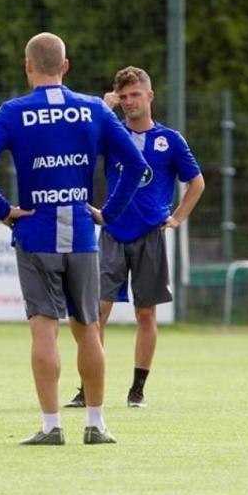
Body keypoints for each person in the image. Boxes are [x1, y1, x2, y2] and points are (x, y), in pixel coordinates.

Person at [0, 33, 147, 445]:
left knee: (44, 331)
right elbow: (136, 165)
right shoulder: (93, 110)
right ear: (65, 66)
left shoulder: (13, 113)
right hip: (83, 235)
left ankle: (51, 427)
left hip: (34, 233)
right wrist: (108, 213)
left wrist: (3, 210)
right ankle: (97, 424)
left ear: (28, 66)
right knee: (87, 328)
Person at [64, 66, 204, 409]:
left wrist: (177, 218)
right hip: (112, 232)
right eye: (123, 96)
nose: (129, 102)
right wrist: (104, 107)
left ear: (150, 96)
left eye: (134, 95)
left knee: (146, 314)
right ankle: (87, 388)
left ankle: (137, 389)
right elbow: (79, 143)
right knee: (97, 312)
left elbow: (196, 182)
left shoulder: (169, 140)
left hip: (150, 235)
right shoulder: (112, 134)